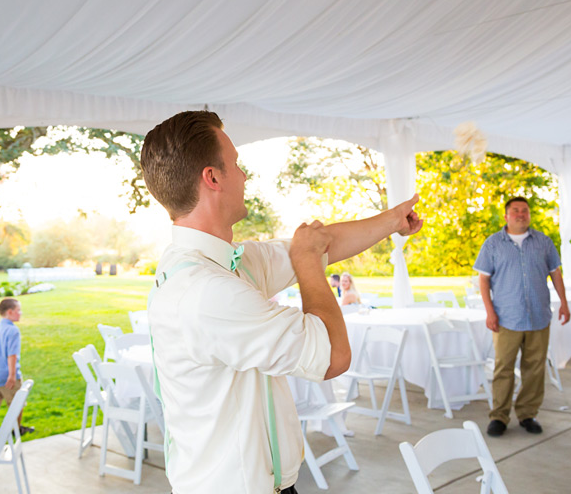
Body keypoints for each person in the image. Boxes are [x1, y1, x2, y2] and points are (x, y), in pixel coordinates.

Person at [140, 110, 423, 494]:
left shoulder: (220, 262)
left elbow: (320, 245)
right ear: (213, 177)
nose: (243, 175)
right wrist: (308, 265)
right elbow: (333, 356)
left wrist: (394, 220)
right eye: (236, 164)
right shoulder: (207, 292)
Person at [473, 196, 570, 437]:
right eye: (515, 210)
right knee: (503, 368)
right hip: (506, 318)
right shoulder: (493, 244)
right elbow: (483, 280)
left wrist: (564, 304)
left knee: (535, 368)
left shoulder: (544, 242)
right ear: (506, 216)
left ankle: (528, 414)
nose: (520, 214)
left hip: (538, 316)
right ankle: (499, 416)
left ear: (529, 215)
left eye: (524, 210)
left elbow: (556, 274)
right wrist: (489, 311)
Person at [0, 298, 33, 436]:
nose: (20, 313)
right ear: (10, 312)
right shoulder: (13, 331)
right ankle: (17, 430)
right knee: (17, 403)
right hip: (6, 377)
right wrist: (11, 376)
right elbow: (12, 355)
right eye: (18, 311)